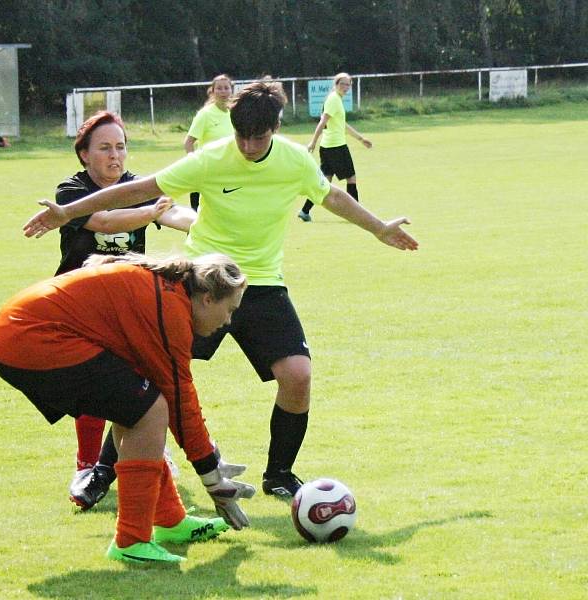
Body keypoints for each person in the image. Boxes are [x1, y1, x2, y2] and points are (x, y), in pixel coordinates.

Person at [23, 81, 419, 502]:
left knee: (298, 376)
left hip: (262, 282)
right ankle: (102, 471)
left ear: (276, 127)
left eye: (258, 137)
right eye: (241, 136)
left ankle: (280, 474)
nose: (248, 146)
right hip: (200, 282)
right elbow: (142, 189)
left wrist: (379, 228)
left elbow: (330, 196)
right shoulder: (213, 159)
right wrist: (67, 211)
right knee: (153, 374)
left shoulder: (294, 161)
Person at [0, 252, 256, 563]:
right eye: (230, 309)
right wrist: (211, 476)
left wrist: (209, 462)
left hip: (18, 331)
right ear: (208, 299)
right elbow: (180, 400)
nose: (228, 321)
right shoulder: (171, 310)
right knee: (150, 410)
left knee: (138, 407)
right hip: (29, 339)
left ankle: (169, 521)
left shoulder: (171, 293)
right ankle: (131, 541)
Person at [54, 110, 196, 511]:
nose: (114, 156)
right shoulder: (71, 191)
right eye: (104, 148)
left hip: (131, 304)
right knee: (93, 386)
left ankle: (142, 454)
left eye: (120, 147)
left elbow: (173, 212)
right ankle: (86, 464)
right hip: (80, 304)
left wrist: (200, 223)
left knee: (146, 382)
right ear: (84, 154)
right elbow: (100, 220)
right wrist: (150, 212)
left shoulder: (137, 187)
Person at [298, 72, 372, 222]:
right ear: (336, 84)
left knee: (324, 181)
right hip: (336, 147)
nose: (345, 87)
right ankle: (356, 214)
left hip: (328, 147)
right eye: (342, 84)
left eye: (348, 84)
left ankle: (304, 211)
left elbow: (341, 125)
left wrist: (360, 138)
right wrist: (313, 141)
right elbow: (322, 121)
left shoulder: (336, 99)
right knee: (351, 178)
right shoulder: (334, 100)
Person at [184, 74, 235, 211]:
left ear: (231, 90)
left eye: (226, 88)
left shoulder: (234, 114)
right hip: (207, 171)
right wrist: (194, 164)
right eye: (219, 88)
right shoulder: (205, 114)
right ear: (212, 92)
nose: (223, 92)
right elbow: (188, 142)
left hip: (229, 171)